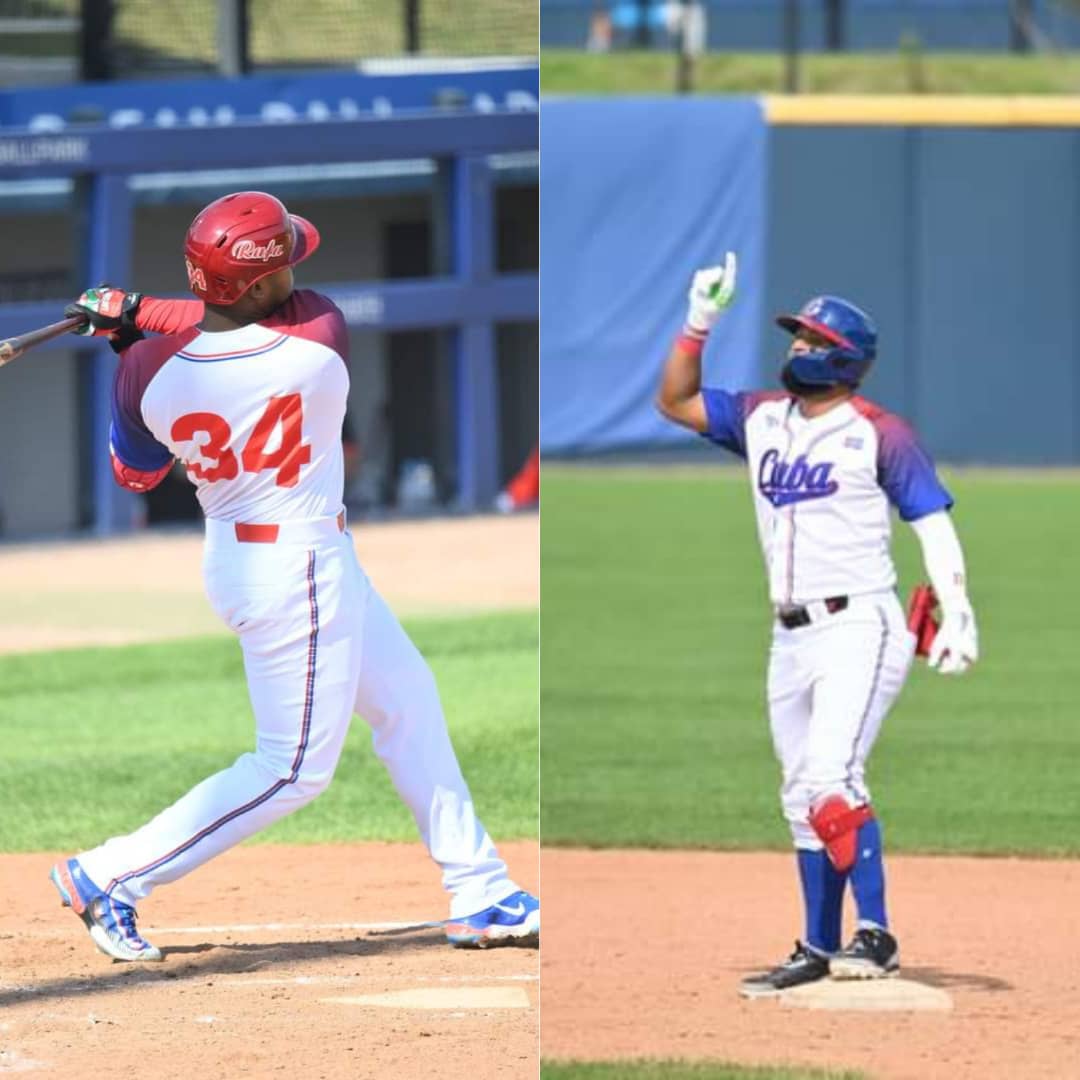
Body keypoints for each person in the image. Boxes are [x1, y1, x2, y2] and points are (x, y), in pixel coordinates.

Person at [49, 191, 538, 961]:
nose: (294, 270)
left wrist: (131, 328)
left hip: (246, 553)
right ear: (252, 282)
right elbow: (233, 312)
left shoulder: (142, 371)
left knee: (408, 701)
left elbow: (135, 475)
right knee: (293, 771)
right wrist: (137, 311)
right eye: (279, 261)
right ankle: (109, 874)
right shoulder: (320, 336)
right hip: (298, 569)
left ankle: (482, 890)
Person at [655, 254, 978, 995]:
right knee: (801, 792)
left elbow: (930, 520)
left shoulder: (878, 433)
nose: (797, 348)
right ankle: (817, 945)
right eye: (796, 337)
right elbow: (675, 402)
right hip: (789, 635)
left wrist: (956, 607)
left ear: (845, 356)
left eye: (810, 339)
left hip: (860, 625)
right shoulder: (763, 417)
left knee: (833, 775)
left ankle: (878, 934)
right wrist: (698, 321)